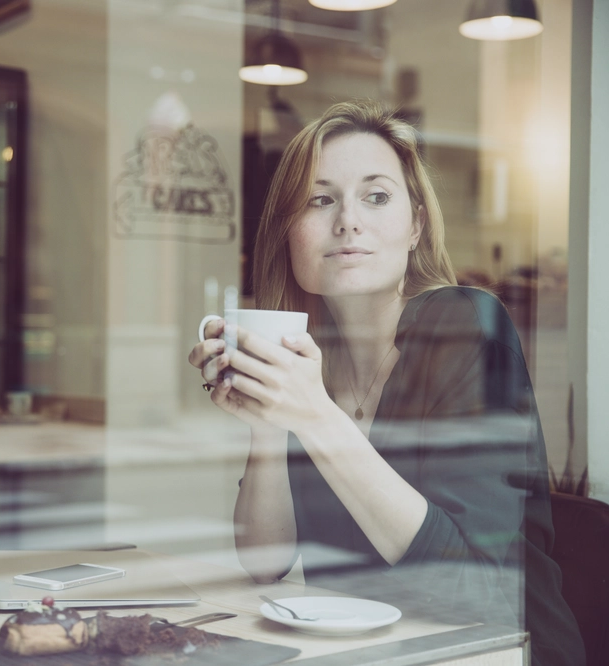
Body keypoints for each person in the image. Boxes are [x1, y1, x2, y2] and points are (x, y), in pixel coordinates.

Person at [188, 100, 584, 666]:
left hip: (494, 652)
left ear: (415, 225)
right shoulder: (307, 357)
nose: (348, 220)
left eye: (376, 196)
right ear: (288, 234)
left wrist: (314, 416)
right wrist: (267, 425)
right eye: (320, 200)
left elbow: (473, 592)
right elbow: (265, 564)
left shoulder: (466, 324)